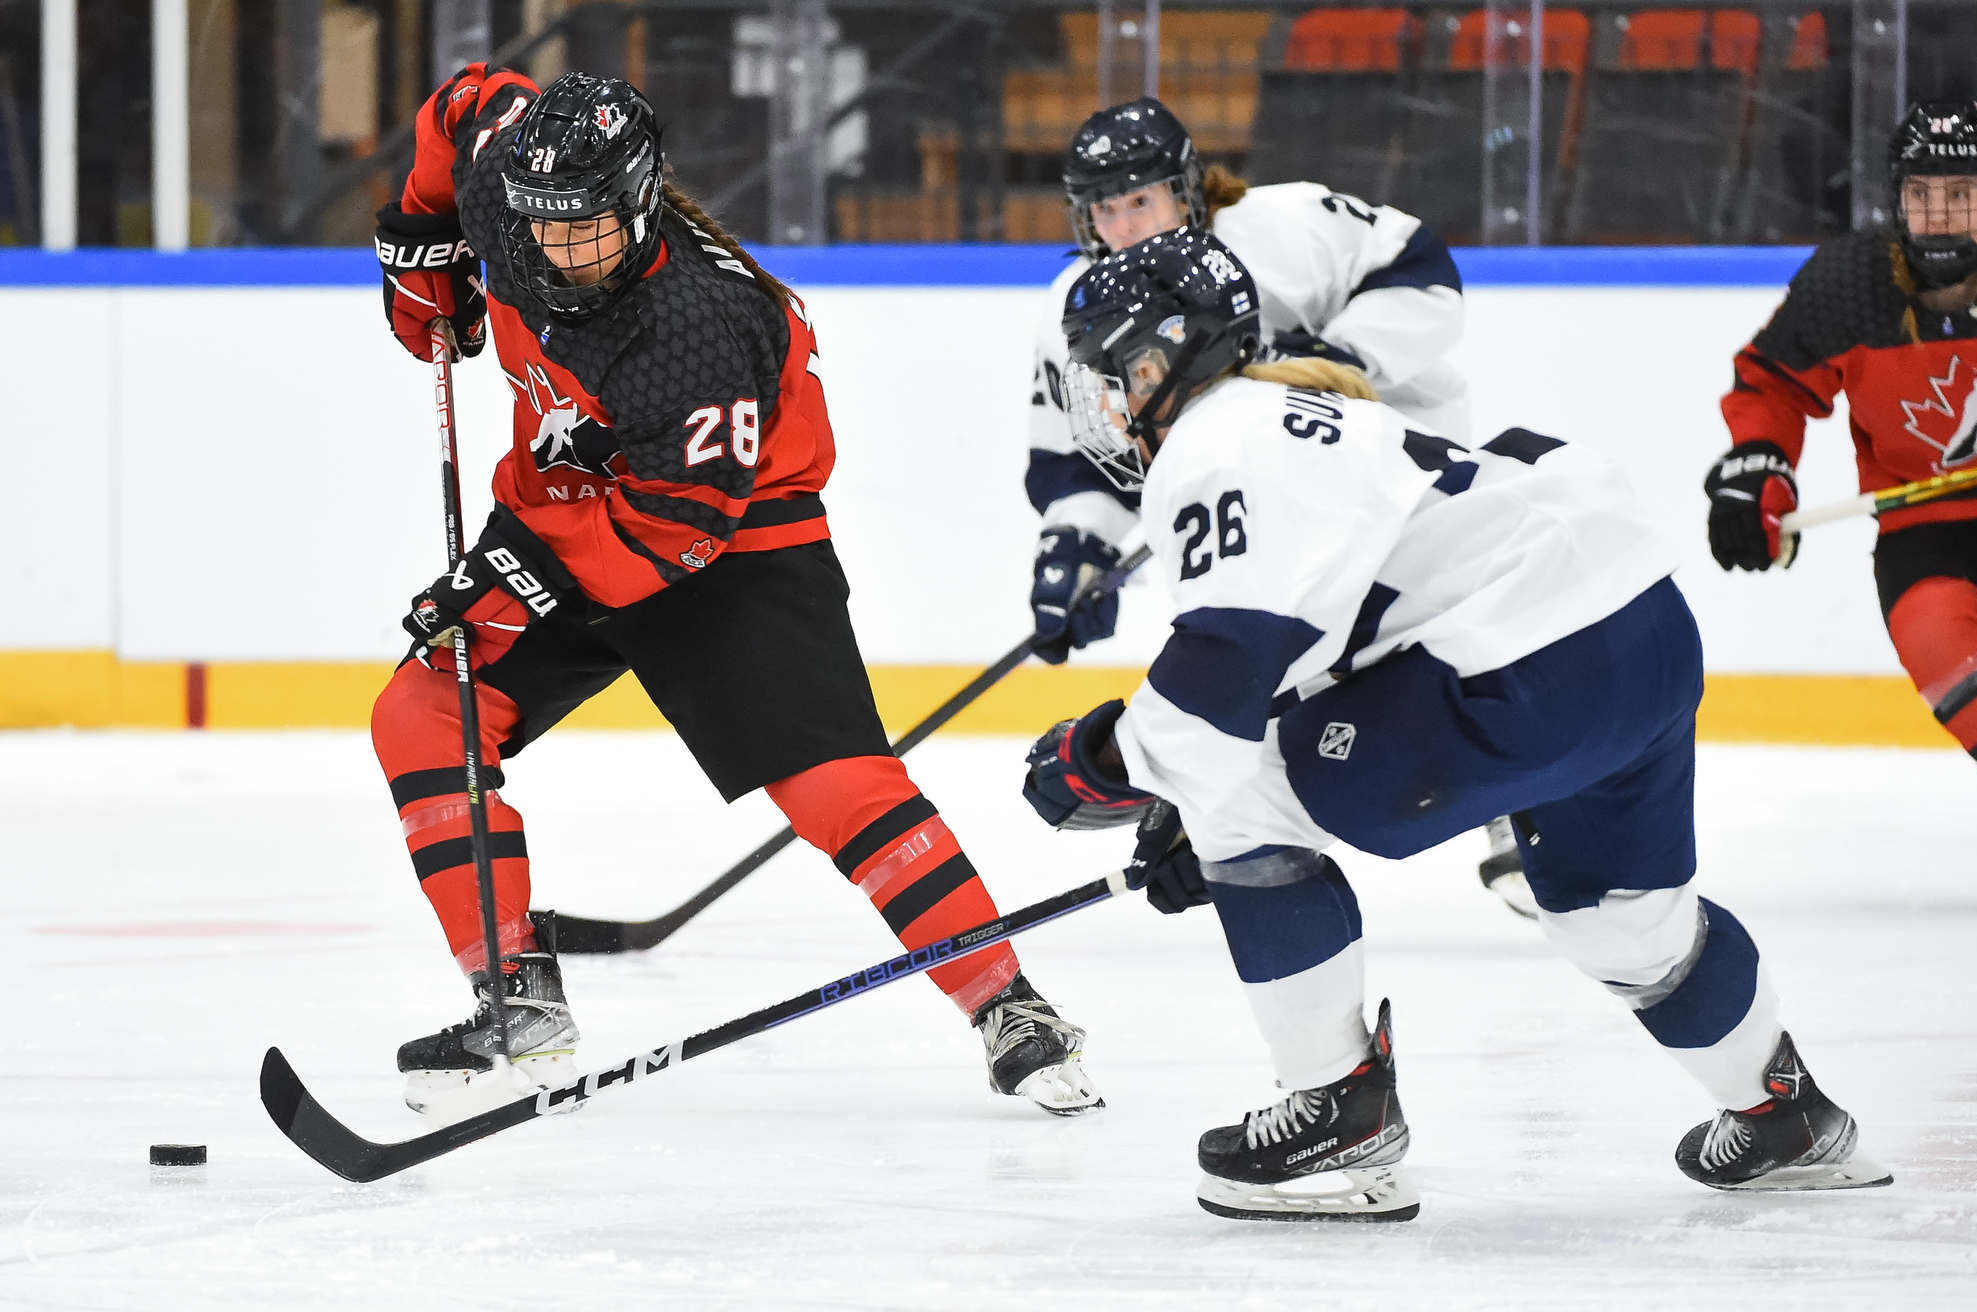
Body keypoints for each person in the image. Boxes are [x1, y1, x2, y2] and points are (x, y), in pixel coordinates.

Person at [1021, 226, 1889, 1219]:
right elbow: (1317, 637)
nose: (1104, 404)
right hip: (1639, 626)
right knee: (1616, 911)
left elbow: (1221, 668)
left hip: (1530, 657)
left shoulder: (1215, 437)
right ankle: (1782, 1115)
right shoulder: (1304, 410)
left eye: (1110, 374)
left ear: (1161, 355)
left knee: (1243, 789)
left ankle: (1335, 1116)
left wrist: (1098, 766)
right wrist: (1185, 789)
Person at [368, 65, 1100, 1120]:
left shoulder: (698, 327)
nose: (554, 255)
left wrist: (508, 578)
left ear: (637, 200)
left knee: (839, 787)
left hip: (733, 537)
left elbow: (666, 541)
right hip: (571, 499)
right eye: (537, 230)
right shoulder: (515, 185)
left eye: (585, 232)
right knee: (422, 713)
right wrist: (421, 239)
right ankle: (515, 994)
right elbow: (459, 102)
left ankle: (1006, 1003)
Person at [1021, 97, 1529, 913]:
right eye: (1104, 209)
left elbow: (1423, 274)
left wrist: (1331, 358)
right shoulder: (1077, 307)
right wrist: (1076, 547)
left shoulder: (1283, 227)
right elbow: (1083, 453)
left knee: (1435, 632)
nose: (1123, 227)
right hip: (1255, 494)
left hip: (1388, 465)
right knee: (1266, 649)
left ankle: (1522, 805)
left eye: (1140, 200)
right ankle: (1238, 825)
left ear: (1188, 192)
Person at [1706, 100, 1977, 787]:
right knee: (1947, 653)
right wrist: (1758, 469)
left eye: (1961, 195)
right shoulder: (1848, 288)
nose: (1940, 215)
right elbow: (1768, 384)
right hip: (1927, 539)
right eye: (1920, 194)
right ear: (1896, 203)